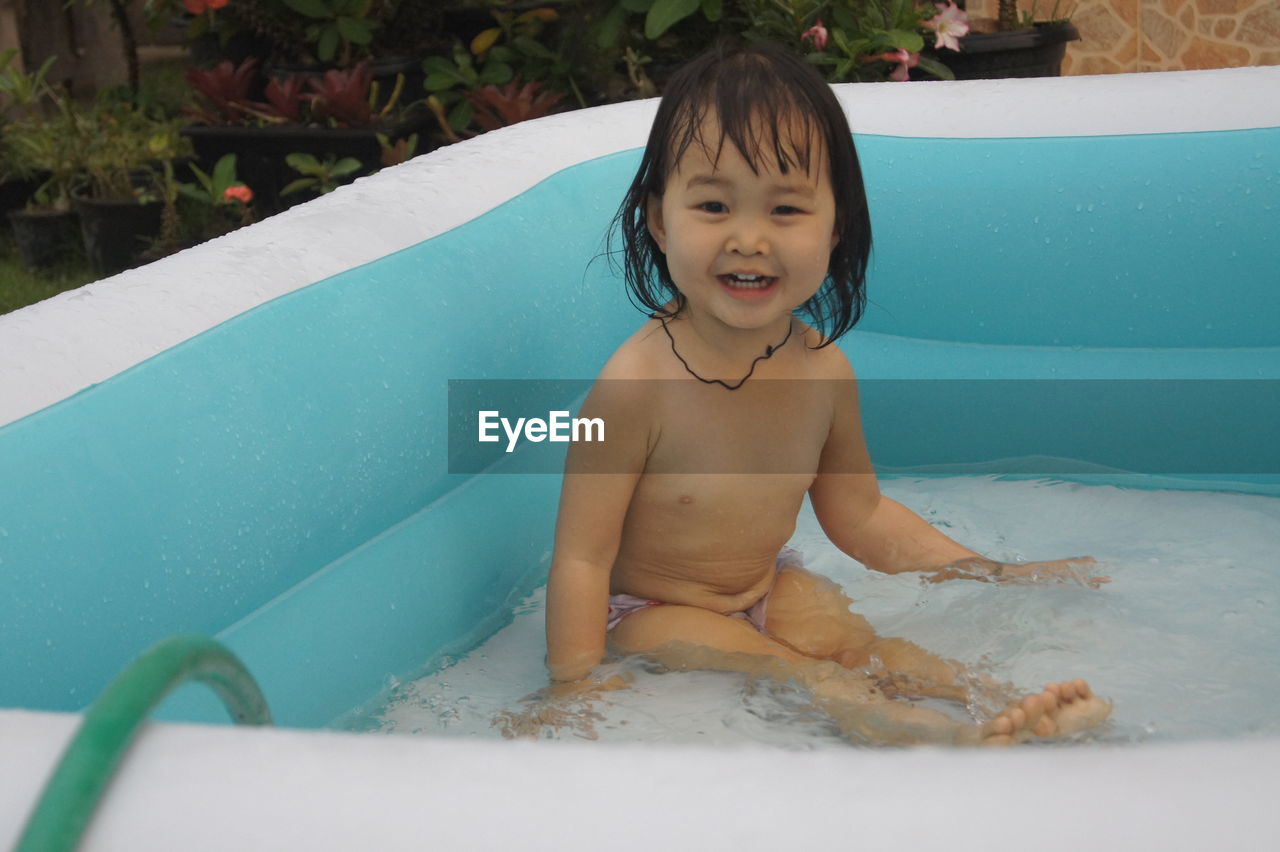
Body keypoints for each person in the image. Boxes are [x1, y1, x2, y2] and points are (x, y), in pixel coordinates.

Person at [536, 38, 1111, 746]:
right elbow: (581, 559)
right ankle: (922, 735)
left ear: (835, 227)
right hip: (651, 609)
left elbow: (861, 515)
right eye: (714, 205)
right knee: (804, 673)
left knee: (864, 649)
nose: (749, 238)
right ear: (659, 220)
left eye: (785, 211)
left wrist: (988, 572)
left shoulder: (823, 372)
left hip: (768, 584)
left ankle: (999, 703)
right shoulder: (633, 388)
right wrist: (569, 686)